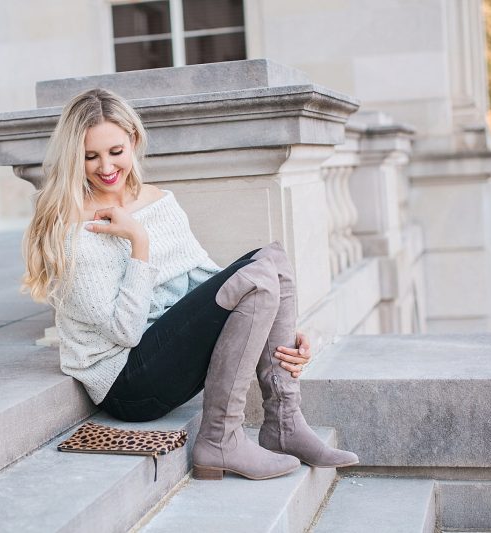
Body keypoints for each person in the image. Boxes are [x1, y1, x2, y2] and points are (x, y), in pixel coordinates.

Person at [24, 88, 358, 481]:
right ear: (73, 157)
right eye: (90, 156)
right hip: (126, 382)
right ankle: (220, 437)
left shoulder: (158, 200)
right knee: (257, 277)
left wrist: (281, 332)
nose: (106, 167)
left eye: (115, 151)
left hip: (165, 353)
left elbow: (211, 284)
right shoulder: (70, 228)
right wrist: (139, 244)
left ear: (133, 140)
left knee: (273, 261)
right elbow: (124, 332)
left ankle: (285, 421)